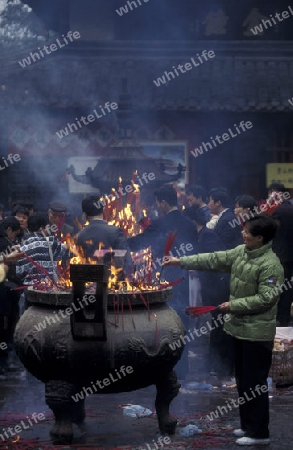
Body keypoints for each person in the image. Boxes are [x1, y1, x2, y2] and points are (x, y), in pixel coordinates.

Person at [163, 215, 284, 446]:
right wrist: (180, 262)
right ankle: (247, 426)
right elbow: (213, 259)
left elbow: (266, 299)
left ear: (260, 238)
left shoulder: (271, 265)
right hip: (239, 329)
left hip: (257, 334)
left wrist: (233, 305)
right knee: (243, 380)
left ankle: (260, 433)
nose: (243, 234)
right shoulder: (241, 252)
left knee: (255, 383)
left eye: (247, 232)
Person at [128, 185, 198, 380]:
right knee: (182, 323)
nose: (158, 207)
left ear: (164, 203)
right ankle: (182, 369)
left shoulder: (159, 224)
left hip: (163, 279)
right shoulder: (190, 224)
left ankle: (163, 368)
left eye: (158, 203)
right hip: (183, 279)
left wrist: (118, 243)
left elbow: (140, 243)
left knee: (162, 322)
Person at [185, 205, 231, 378]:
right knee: (216, 323)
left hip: (219, 285)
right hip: (211, 286)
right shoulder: (200, 235)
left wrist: (200, 270)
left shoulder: (208, 236)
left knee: (220, 324)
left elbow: (218, 261)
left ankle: (221, 366)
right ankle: (215, 364)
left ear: (193, 221)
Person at [76, 196, 132, 275]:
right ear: (103, 210)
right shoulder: (116, 231)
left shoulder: (80, 236)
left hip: (89, 283)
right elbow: (128, 261)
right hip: (113, 283)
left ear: (85, 215)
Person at [267, 183, 293, 326]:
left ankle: (275, 317)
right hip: (290, 258)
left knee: (273, 285)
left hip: (277, 257)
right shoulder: (290, 208)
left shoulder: (277, 211)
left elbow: (265, 227)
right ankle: (285, 318)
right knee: (288, 288)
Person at [16, 213, 67, 286]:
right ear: (41, 228)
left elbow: (19, 273)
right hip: (49, 287)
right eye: (47, 227)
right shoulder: (52, 242)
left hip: (29, 288)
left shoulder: (22, 246)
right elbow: (67, 253)